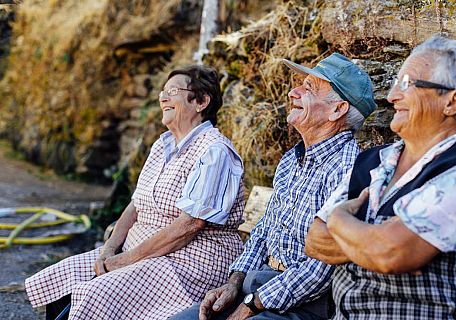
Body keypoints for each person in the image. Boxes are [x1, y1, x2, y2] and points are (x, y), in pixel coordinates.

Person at [305, 35, 456, 319]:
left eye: (407, 84)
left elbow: (391, 253)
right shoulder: (374, 161)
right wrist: (374, 243)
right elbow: (315, 241)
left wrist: (339, 219)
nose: (392, 96)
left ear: (452, 102)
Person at [25, 65, 246, 320]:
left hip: (188, 264)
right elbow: (135, 205)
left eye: (173, 91)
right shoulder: (162, 145)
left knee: (94, 294)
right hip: (143, 253)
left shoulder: (214, 151)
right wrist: (109, 248)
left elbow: (190, 225)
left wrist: (124, 261)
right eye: (163, 92)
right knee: (64, 277)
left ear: (201, 101)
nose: (163, 97)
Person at [171, 53, 377, 320]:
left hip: (305, 303)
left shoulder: (349, 168)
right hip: (259, 285)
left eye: (309, 88)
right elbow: (264, 229)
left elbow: (322, 267)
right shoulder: (293, 158)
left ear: (337, 110)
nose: (294, 92)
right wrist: (234, 283)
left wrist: (254, 303)